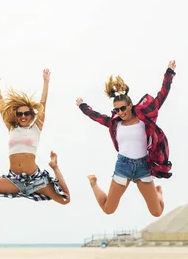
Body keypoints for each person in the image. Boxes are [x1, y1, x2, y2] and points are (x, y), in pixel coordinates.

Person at [0, 69, 70, 245]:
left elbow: (43, 103)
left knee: (65, 199)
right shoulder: (12, 128)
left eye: (26, 113)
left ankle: (55, 166)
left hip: (35, 180)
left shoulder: (36, 128)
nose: (23, 116)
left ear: (31, 115)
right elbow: (1, 106)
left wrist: (46, 82)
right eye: (19, 114)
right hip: (14, 180)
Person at [76, 60, 177, 217]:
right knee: (108, 209)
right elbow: (97, 116)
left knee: (157, 212)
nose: (120, 112)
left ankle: (158, 193)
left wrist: (169, 73)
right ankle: (94, 184)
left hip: (143, 166)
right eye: (117, 110)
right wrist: (83, 106)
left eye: (123, 108)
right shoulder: (115, 123)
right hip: (123, 166)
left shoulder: (144, 118)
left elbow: (162, 95)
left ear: (130, 105)